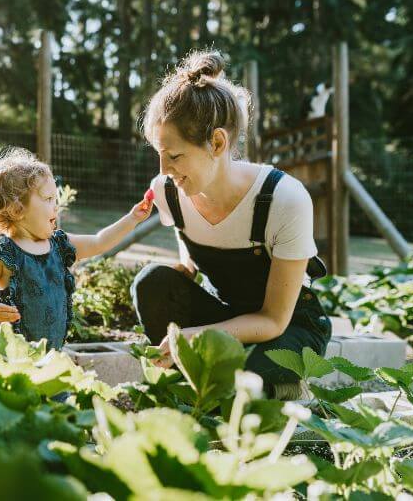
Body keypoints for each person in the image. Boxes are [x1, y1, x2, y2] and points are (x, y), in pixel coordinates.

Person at [132, 50, 332, 399]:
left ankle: (279, 390)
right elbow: (191, 245)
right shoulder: (169, 191)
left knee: (237, 374)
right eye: (159, 154)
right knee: (152, 282)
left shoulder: (284, 198)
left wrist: (202, 336)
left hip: (286, 330)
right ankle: (194, 385)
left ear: (218, 142)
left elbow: (273, 320)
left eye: (175, 156)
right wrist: (185, 270)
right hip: (226, 313)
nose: (164, 170)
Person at [0, 148, 152, 350]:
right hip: (14, 352)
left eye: (56, 199)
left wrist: (133, 218)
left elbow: (100, 242)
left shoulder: (59, 245)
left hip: (52, 351)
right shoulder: (3, 252)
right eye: (48, 199)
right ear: (17, 209)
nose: (56, 206)